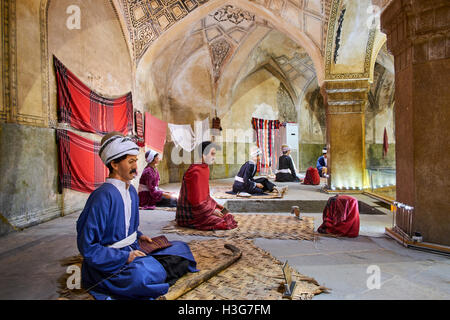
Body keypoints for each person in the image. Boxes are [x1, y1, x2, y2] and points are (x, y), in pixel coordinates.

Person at [76, 132, 197, 300]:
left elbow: (126, 228)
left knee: (181, 249)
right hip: (109, 263)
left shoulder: (132, 191)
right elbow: (88, 247)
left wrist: (139, 236)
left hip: (134, 249)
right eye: (131, 162)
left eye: (136, 161)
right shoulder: (101, 197)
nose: (136, 167)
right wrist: (125, 257)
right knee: (142, 275)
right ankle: (152, 273)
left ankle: (155, 271)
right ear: (114, 164)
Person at [176, 141, 238, 230]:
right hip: (192, 213)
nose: (214, 157)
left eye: (214, 154)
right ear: (203, 154)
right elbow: (195, 201)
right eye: (212, 154)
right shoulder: (195, 172)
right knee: (223, 223)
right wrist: (212, 211)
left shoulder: (205, 168)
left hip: (202, 207)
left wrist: (215, 206)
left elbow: (205, 195)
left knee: (227, 215)